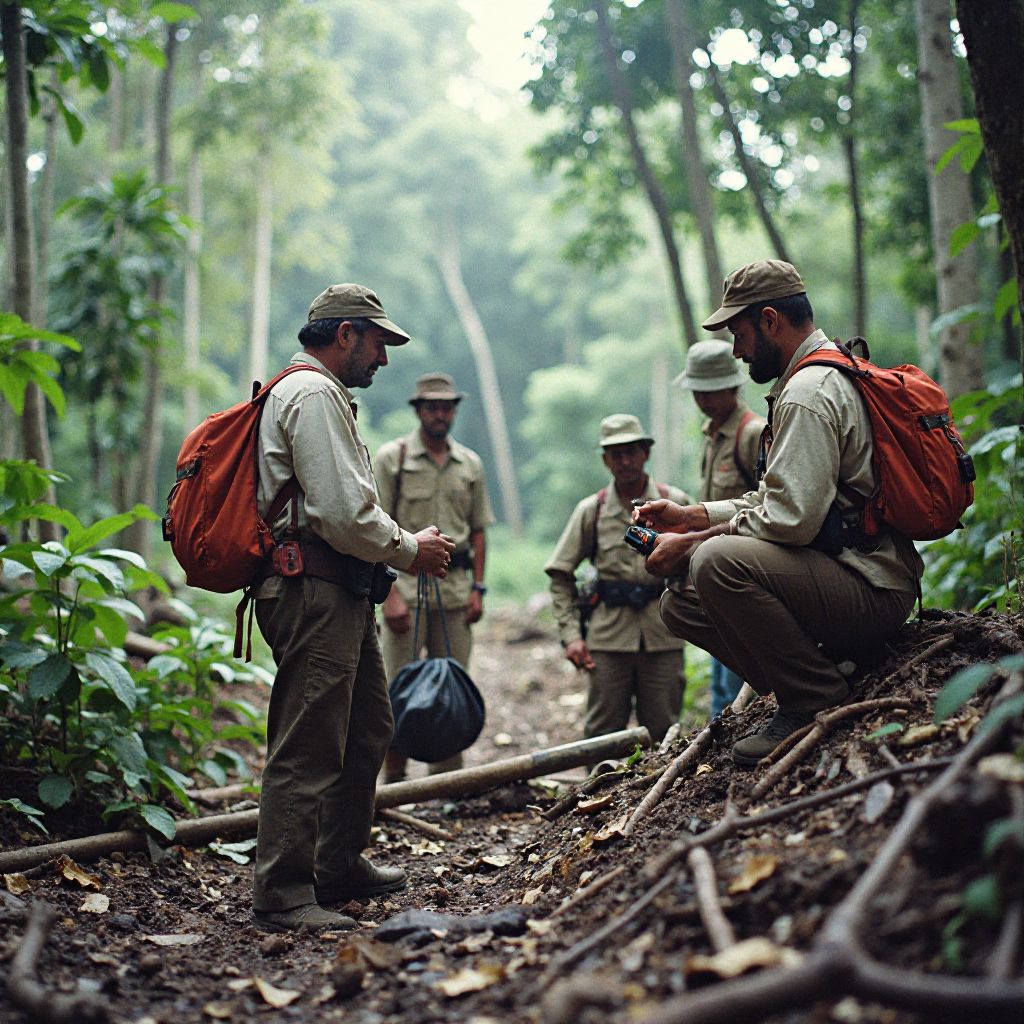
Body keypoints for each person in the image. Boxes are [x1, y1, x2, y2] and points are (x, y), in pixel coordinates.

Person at [635, 260, 922, 767]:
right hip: (845, 577)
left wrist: (697, 543)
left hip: (871, 584)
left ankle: (811, 696)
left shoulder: (809, 394)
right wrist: (691, 515)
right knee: (679, 604)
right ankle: (821, 667)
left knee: (716, 562)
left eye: (740, 334)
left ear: (771, 321)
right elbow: (780, 497)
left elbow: (792, 521)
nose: (738, 351)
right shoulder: (812, 381)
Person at [251, 283, 455, 932]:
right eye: (377, 343)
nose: (384, 360)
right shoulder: (311, 395)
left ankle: (337, 862)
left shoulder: (319, 394)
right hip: (312, 588)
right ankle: (283, 891)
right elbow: (342, 513)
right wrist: (408, 548)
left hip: (337, 588)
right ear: (345, 335)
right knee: (309, 740)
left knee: (368, 725)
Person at [374, 372, 494, 782]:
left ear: (454, 411)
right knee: (397, 692)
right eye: (432, 407)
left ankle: (447, 783)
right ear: (419, 410)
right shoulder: (394, 458)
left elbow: (479, 531)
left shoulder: (470, 464)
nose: (440, 414)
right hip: (404, 588)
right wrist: (388, 597)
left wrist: (479, 588)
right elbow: (376, 528)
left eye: (446, 407)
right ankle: (393, 784)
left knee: (451, 690)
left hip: (457, 591)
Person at [545, 414, 692, 746]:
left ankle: (661, 794)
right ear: (605, 460)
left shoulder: (676, 503)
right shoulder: (592, 510)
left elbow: (701, 562)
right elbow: (560, 573)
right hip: (608, 637)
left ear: (646, 453)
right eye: (616, 454)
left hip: (664, 631)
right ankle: (596, 793)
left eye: (631, 451)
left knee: (665, 730)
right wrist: (571, 636)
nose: (625, 461)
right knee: (602, 733)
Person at [674, 340, 765, 718]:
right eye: (699, 391)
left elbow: (768, 506)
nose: (705, 400)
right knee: (718, 685)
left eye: (712, 391)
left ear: (732, 386)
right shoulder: (712, 437)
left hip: (742, 578)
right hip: (713, 581)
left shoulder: (753, 434)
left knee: (736, 683)